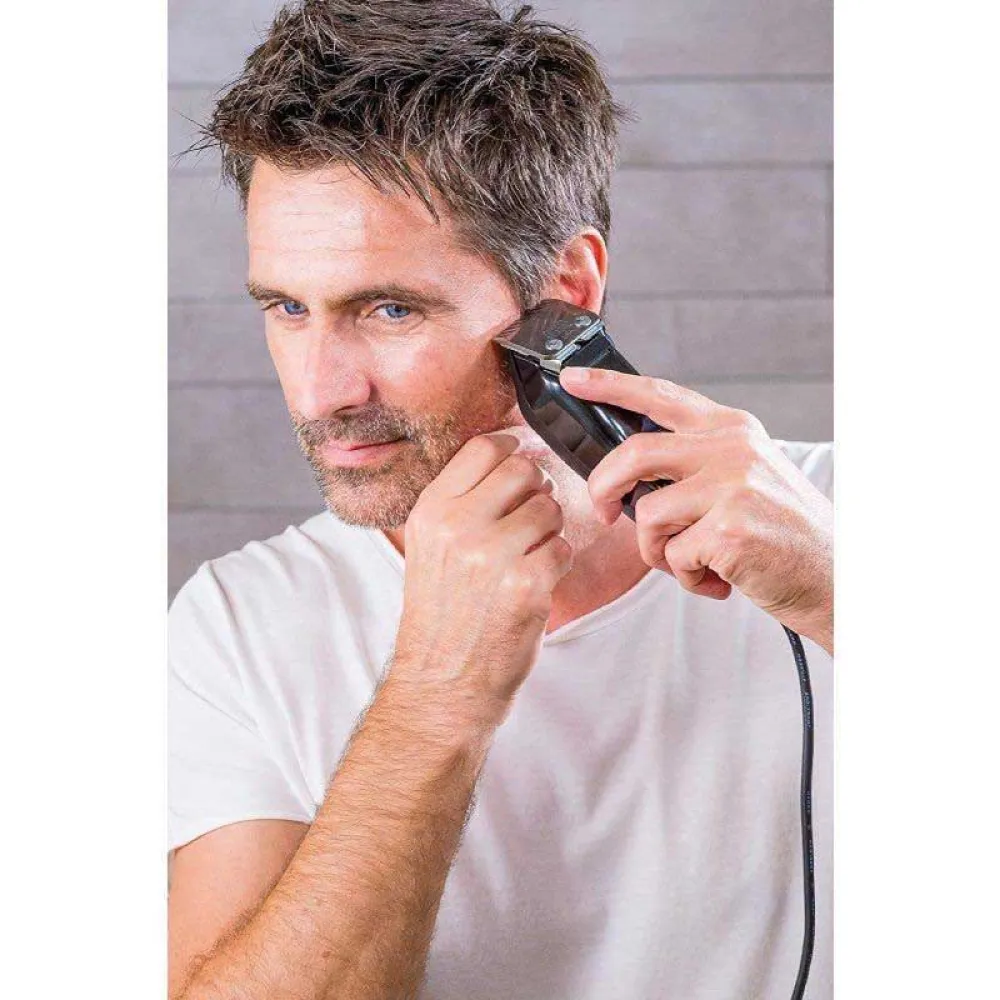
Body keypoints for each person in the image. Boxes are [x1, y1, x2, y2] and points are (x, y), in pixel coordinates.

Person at [168, 2, 834, 997]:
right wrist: (437, 694)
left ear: (566, 287)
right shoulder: (238, 623)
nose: (319, 392)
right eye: (288, 308)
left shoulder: (836, 517)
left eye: (389, 309)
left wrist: (840, 588)